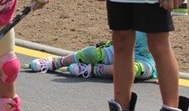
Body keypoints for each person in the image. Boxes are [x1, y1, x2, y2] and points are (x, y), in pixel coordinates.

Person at [28, 31, 157, 81]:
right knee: (90, 53)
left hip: (145, 60)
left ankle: (93, 70)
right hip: (120, 50)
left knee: (128, 70)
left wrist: (163, 73)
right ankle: (56, 62)